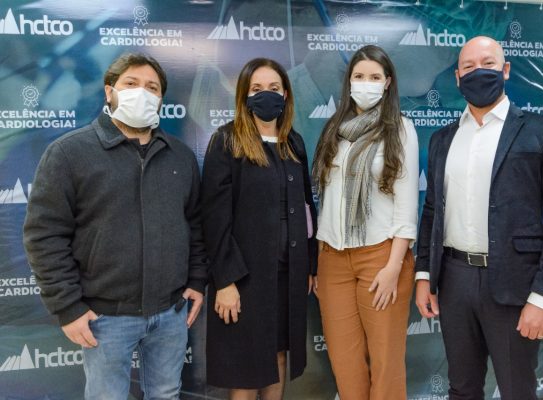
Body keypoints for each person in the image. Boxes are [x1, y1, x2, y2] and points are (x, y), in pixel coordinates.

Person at [23, 53, 208, 400]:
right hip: (104, 317)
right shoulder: (68, 153)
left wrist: (197, 280)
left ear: (161, 99)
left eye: (152, 87)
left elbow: (195, 224)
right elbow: (44, 236)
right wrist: (68, 308)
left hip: (170, 313)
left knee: (166, 393)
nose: (142, 92)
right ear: (109, 91)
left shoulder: (180, 156)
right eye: (131, 83)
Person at [415, 36, 543, 400]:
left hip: (515, 284)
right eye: (469, 66)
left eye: (488, 63)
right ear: (458, 77)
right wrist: (424, 274)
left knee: (517, 390)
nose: (479, 72)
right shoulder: (442, 139)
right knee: (462, 388)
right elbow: (431, 212)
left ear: (505, 70)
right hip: (454, 281)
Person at [200, 58, 318, 400]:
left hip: (288, 275)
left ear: (286, 94)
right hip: (244, 278)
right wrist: (225, 281)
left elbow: (307, 208)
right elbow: (214, 219)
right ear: (244, 95)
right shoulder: (227, 141)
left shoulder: (293, 143)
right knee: (246, 370)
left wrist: (309, 266)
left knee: (278, 356)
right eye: (257, 88)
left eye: (274, 88)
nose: (266, 94)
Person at [312, 45, 419, 400]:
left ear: (387, 83)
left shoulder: (400, 129)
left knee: (386, 362)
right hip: (333, 258)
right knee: (345, 362)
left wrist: (393, 266)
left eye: (374, 77)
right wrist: (320, 257)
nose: (366, 83)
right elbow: (327, 198)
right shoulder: (334, 129)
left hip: (381, 258)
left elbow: (406, 203)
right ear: (349, 82)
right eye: (359, 76)